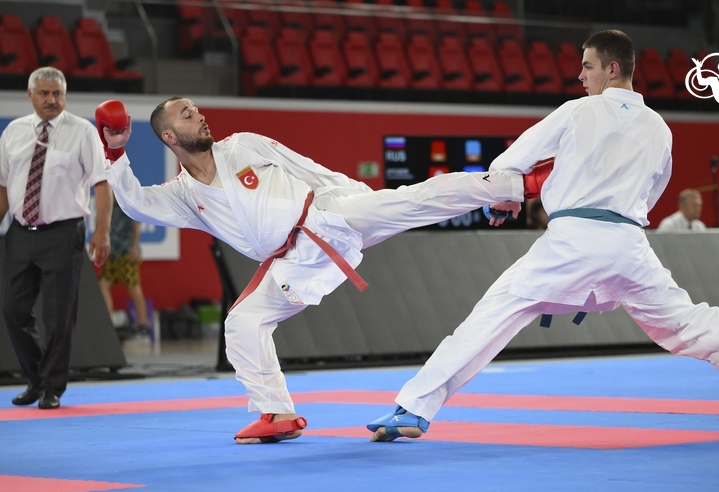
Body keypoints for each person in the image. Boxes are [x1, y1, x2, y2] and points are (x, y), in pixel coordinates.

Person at [366, 30, 719, 442]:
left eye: (588, 66)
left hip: (570, 242)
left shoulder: (577, 112)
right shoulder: (660, 129)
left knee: (491, 317)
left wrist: (507, 200)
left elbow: (510, 161)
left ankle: (414, 410)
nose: (581, 76)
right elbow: (653, 193)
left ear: (612, 68)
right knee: (687, 321)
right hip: (628, 245)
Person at [97, 96, 526, 443]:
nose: (201, 116)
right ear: (170, 135)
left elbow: (307, 168)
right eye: (188, 115)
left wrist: (352, 195)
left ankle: (508, 186)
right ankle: (276, 412)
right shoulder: (185, 195)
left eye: (198, 108)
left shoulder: (242, 145)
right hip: (293, 260)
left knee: (410, 201)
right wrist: (115, 151)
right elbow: (135, 202)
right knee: (242, 322)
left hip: (328, 215)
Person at [0, 67, 112, 410]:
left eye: (58, 94)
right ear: (31, 94)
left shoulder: (83, 132)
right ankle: (36, 379)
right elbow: (4, 187)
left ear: (65, 95)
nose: (52, 100)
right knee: (12, 310)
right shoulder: (13, 132)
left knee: (58, 315)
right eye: (45, 93)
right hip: (20, 231)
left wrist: (102, 232)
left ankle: (51, 387)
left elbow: (101, 184)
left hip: (64, 232)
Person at [99, 197, 149, 341]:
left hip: (126, 253)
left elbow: (136, 226)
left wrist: (134, 248)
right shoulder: (108, 206)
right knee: (103, 285)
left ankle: (143, 325)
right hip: (112, 253)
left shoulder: (127, 204)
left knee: (133, 287)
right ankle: (108, 321)